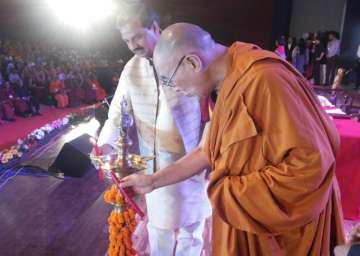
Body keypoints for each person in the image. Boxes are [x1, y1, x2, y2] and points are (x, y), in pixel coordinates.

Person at [120, 23, 346, 255]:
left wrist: (227, 190)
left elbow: (312, 166)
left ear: (193, 62)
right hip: (251, 221)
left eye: (169, 80)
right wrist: (153, 181)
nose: (175, 89)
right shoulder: (228, 79)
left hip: (282, 232)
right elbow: (207, 150)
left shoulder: (265, 80)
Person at [97, 3, 211, 256]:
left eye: (137, 36)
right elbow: (117, 112)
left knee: (192, 230)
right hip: (156, 165)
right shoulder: (132, 68)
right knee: (159, 230)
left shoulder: (184, 57)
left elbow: (209, 106)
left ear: (155, 27)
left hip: (193, 159)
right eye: (127, 40)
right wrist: (107, 144)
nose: (133, 45)